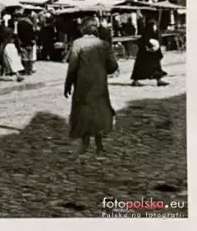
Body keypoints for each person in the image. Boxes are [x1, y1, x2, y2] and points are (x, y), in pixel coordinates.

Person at [64, 17, 119, 156]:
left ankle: (85, 143)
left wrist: (68, 84)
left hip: (82, 84)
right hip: (99, 83)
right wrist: (101, 69)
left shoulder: (77, 44)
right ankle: (99, 145)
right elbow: (113, 66)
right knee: (99, 111)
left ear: (83, 28)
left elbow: (72, 67)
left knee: (83, 111)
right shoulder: (104, 44)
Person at [130, 20, 169, 87]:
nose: (155, 28)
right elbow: (142, 43)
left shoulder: (154, 34)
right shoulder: (145, 34)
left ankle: (159, 80)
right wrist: (149, 47)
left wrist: (156, 49)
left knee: (156, 67)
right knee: (141, 68)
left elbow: (157, 43)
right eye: (154, 26)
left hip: (153, 55)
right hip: (144, 56)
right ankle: (135, 81)